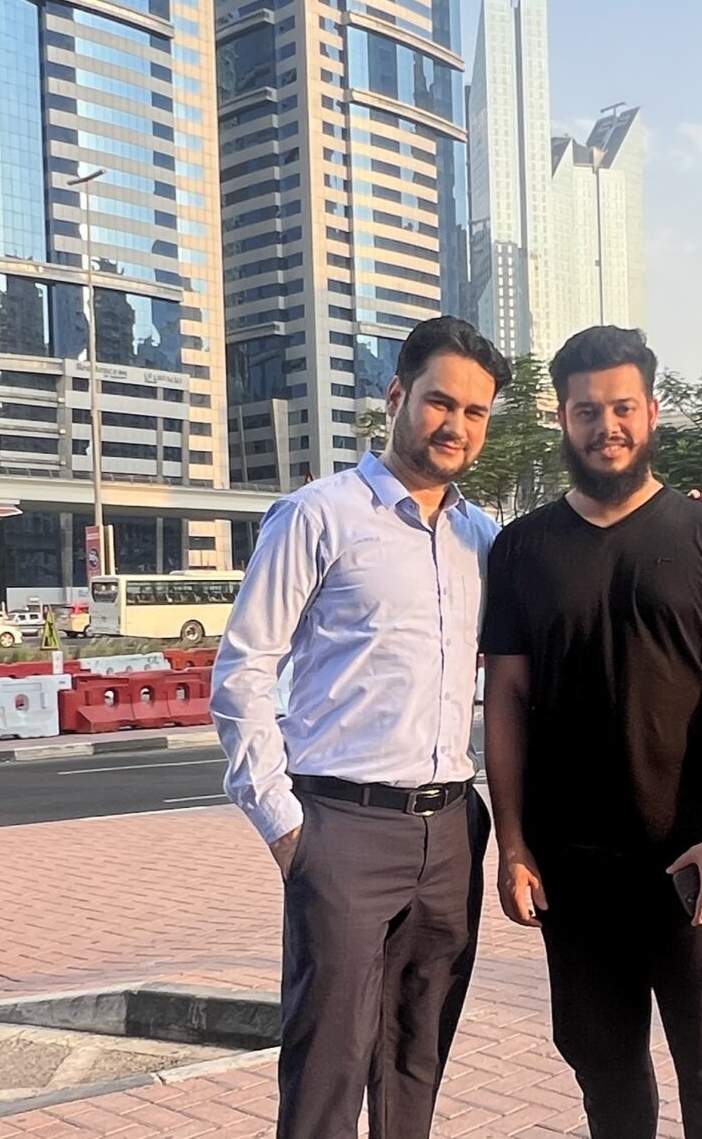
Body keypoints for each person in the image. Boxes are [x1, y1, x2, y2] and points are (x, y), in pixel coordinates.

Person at [480, 325, 702, 1139]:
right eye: (586, 410)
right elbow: (505, 700)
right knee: (602, 1067)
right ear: (562, 418)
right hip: (573, 869)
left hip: (695, 861)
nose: (605, 426)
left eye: (621, 408)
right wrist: (513, 845)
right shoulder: (521, 549)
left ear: (651, 412)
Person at [210, 316, 510, 1139]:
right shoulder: (318, 516)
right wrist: (285, 828)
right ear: (396, 396)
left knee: (416, 1057)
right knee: (328, 1066)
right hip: (341, 827)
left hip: (452, 833)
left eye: (475, 412)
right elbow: (242, 671)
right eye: (440, 402)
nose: (455, 426)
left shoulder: (483, 540)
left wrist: (688, 526)